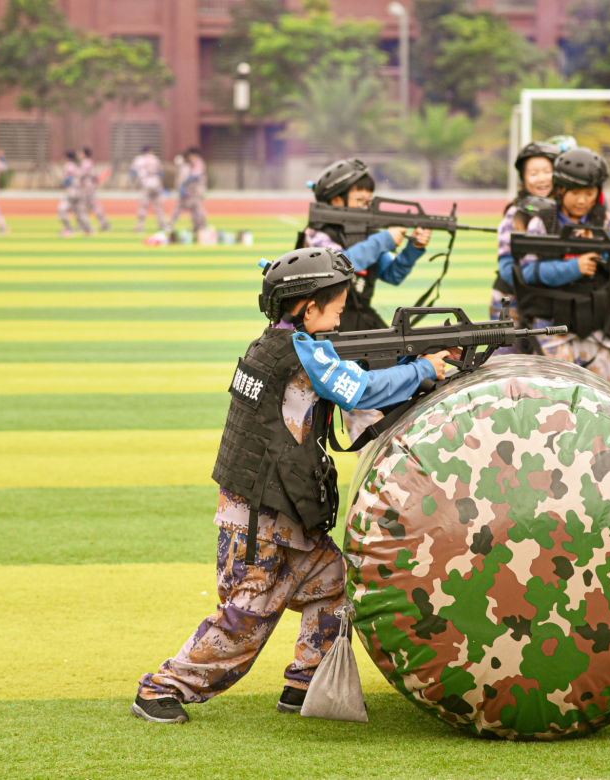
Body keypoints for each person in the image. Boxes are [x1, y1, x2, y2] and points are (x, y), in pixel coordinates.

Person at [132, 247, 457, 724]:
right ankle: (162, 689)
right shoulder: (303, 350)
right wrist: (423, 369)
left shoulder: (279, 344)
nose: (344, 313)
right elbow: (359, 391)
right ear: (308, 308)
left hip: (274, 505)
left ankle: (306, 682)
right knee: (248, 615)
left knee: (331, 583)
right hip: (260, 515)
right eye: (338, 306)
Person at [301, 158, 432, 444]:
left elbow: (393, 273)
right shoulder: (318, 234)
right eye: (361, 200)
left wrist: (414, 247)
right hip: (335, 335)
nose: (367, 207)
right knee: (369, 420)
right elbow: (336, 265)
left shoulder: (365, 236)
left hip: (361, 326)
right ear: (336, 200)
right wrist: (383, 239)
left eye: (369, 200)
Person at [503, 147, 610, 385]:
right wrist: (575, 266)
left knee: (601, 400)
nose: (582, 200)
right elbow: (528, 273)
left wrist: (602, 247)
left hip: (597, 328)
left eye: (589, 192)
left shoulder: (603, 220)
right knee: (555, 399)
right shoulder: (542, 222)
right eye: (575, 193)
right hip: (552, 328)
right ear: (560, 189)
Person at [489, 141, 562, 349]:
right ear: (523, 178)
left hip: (544, 303)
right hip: (510, 300)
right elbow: (505, 268)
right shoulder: (515, 213)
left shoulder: (565, 210)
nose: (542, 178)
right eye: (533, 173)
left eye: (548, 171)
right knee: (506, 360)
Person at [168, 147, 207, 233]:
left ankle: (201, 226)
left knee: (196, 209)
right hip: (187, 191)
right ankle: (199, 227)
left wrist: (183, 185)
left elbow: (194, 176)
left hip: (195, 191)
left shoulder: (197, 162)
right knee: (189, 209)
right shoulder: (187, 164)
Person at [131, 146, 167, 233]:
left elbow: (133, 171)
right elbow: (161, 173)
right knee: (158, 206)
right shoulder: (155, 159)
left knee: (143, 206)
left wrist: (133, 182)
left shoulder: (139, 159)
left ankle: (140, 226)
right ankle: (162, 225)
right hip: (156, 183)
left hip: (145, 183)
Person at [58, 151, 93, 237]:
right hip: (79, 192)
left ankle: (69, 229)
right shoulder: (76, 166)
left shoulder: (69, 165)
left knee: (62, 211)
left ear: (67, 158)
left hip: (71, 193)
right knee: (80, 213)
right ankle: (88, 229)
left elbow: (69, 178)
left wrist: (64, 183)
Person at [79, 147, 110, 232]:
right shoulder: (89, 162)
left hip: (88, 188)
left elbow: (82, 174)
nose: (79, 155)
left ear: (84, 154)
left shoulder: (85, 162)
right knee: (91, 206)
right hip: (90, 187)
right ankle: (104, 224)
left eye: (80, 153)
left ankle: (84, 225)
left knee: (86, 207)